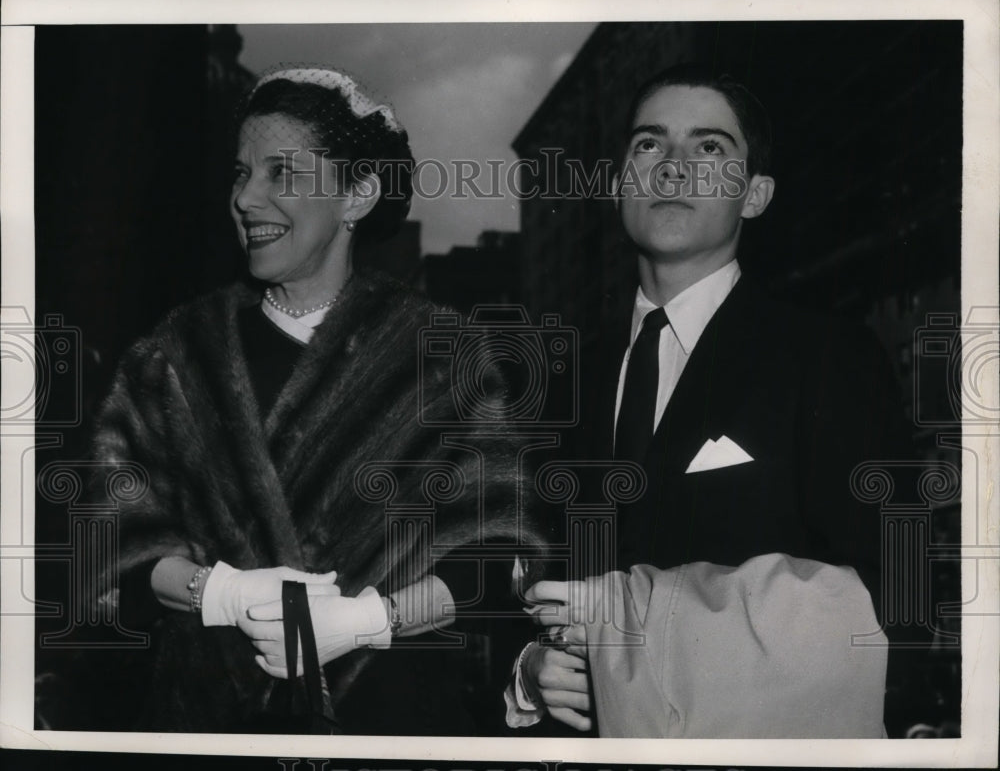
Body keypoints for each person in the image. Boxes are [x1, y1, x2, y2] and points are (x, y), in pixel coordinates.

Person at [89, 65, 542, 734]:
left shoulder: (444, 356)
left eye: (281, 172)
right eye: (241, 174)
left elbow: (493, 558)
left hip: (389, 726)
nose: (247, 198)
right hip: (207, 730)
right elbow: (110, 543)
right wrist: (219, 592)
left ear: (357, 194)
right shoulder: (175, 355)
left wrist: (368, 620)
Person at [507, 64, 910, 737]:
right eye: (649, 143)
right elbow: (518, 576)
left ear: (754, 194)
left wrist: (641, 645)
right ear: (620, 181)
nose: (673, 167)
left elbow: (892, 594)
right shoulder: (556, 381)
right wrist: (530, 669)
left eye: (710, 147)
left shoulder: (828, 358)